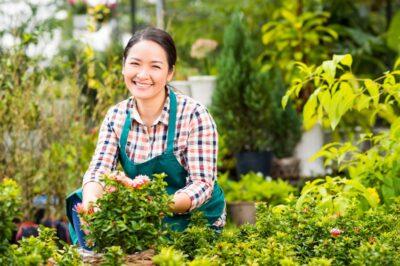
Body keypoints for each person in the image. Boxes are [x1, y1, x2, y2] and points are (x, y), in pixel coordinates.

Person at [66, 27, 226, 249]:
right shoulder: (116, 116)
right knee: (80, 197)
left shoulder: (194, 115)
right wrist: (92, 204)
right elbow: (98, 170)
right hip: (145, 218)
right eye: (135, 63)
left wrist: (157, 204)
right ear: (123, 66)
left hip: (193, 219)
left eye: (155, 66)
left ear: (169, 73)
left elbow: (202, 184)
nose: (142, 74)